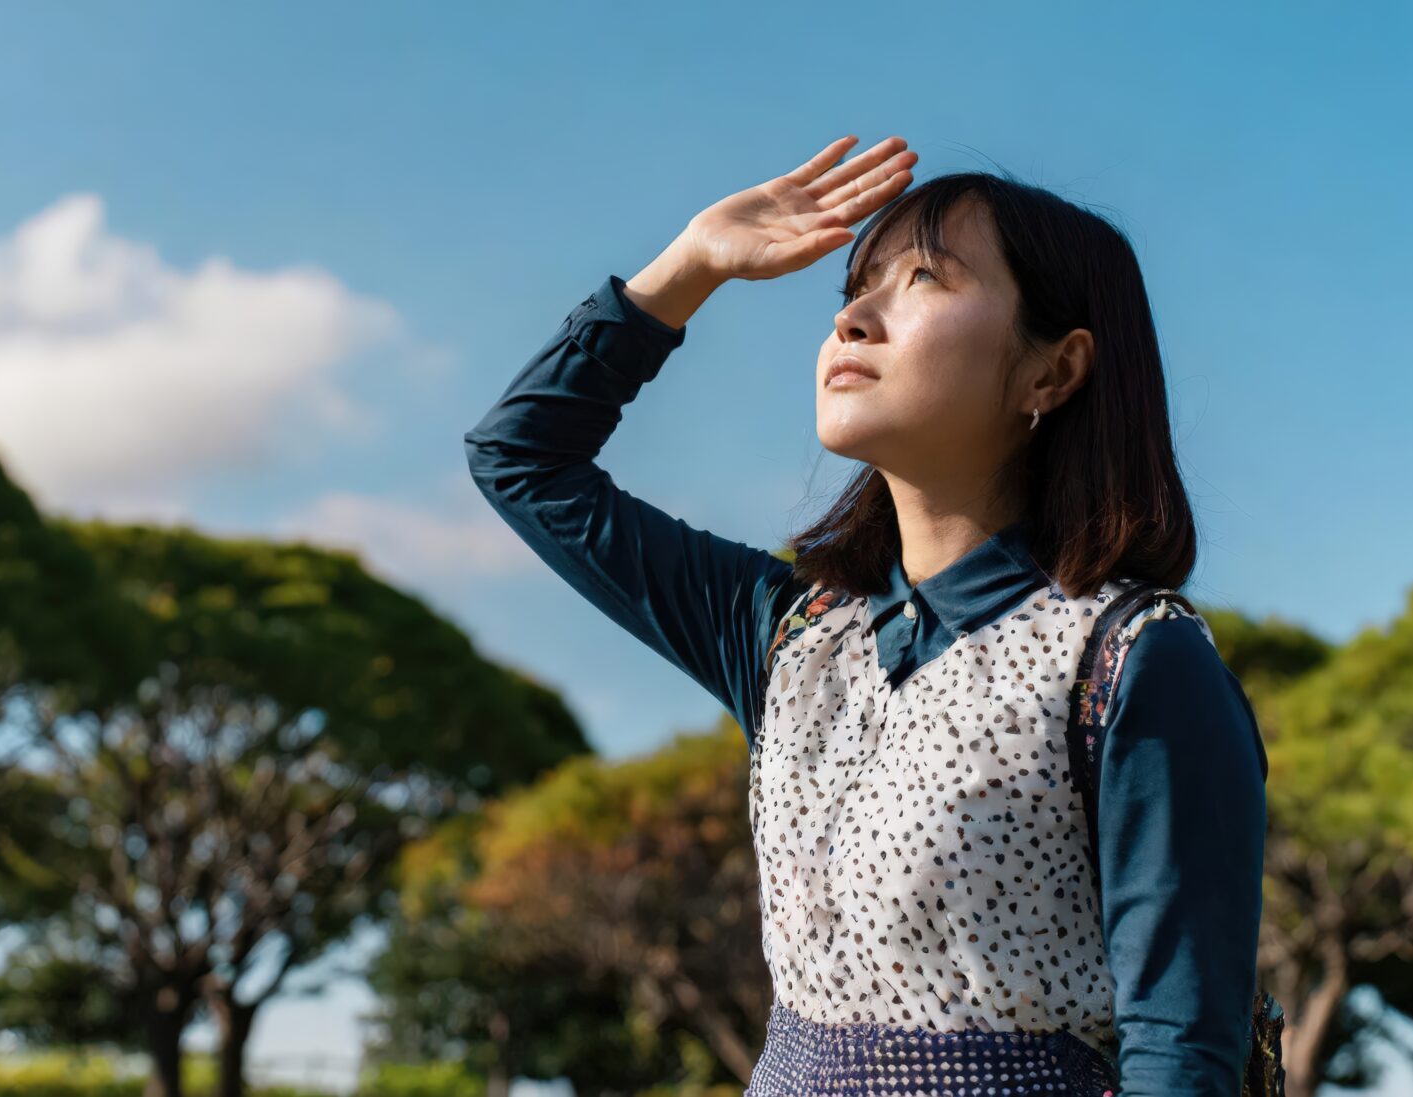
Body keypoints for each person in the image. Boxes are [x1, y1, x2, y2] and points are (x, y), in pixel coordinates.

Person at [463, 135, 1268, 1096]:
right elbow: (521, 461)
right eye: (854, 284)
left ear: (1052, 373)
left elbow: (1180, 1057)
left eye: (923, 278)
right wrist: (690, 265)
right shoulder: (790, 637)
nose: (853, 316)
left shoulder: (1133, 659)